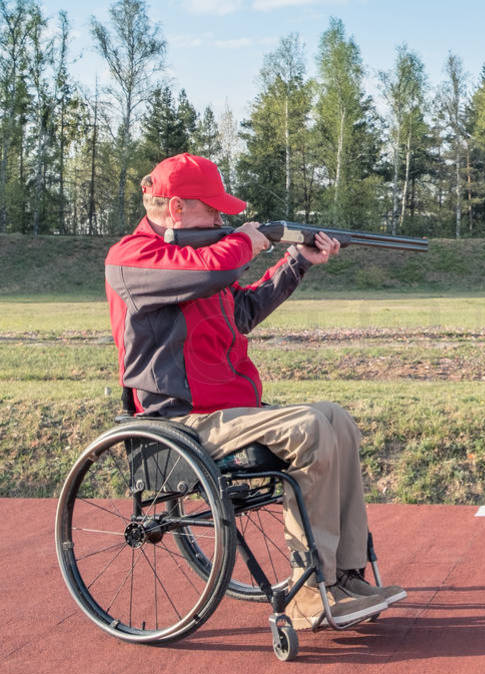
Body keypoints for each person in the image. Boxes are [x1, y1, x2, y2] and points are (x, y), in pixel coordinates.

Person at [104, 152, 405, 630]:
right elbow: (215, 272)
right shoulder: (133, 258)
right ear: (177, 209)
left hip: (231, 412)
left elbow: (238, 311)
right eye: (214, 211)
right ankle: (309, 591)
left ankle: (346, 575)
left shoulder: (195, 258)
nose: (224, 220)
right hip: (183, 420)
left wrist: (296, 262)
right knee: (308, 426)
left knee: (337, 420)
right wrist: (249, 238)